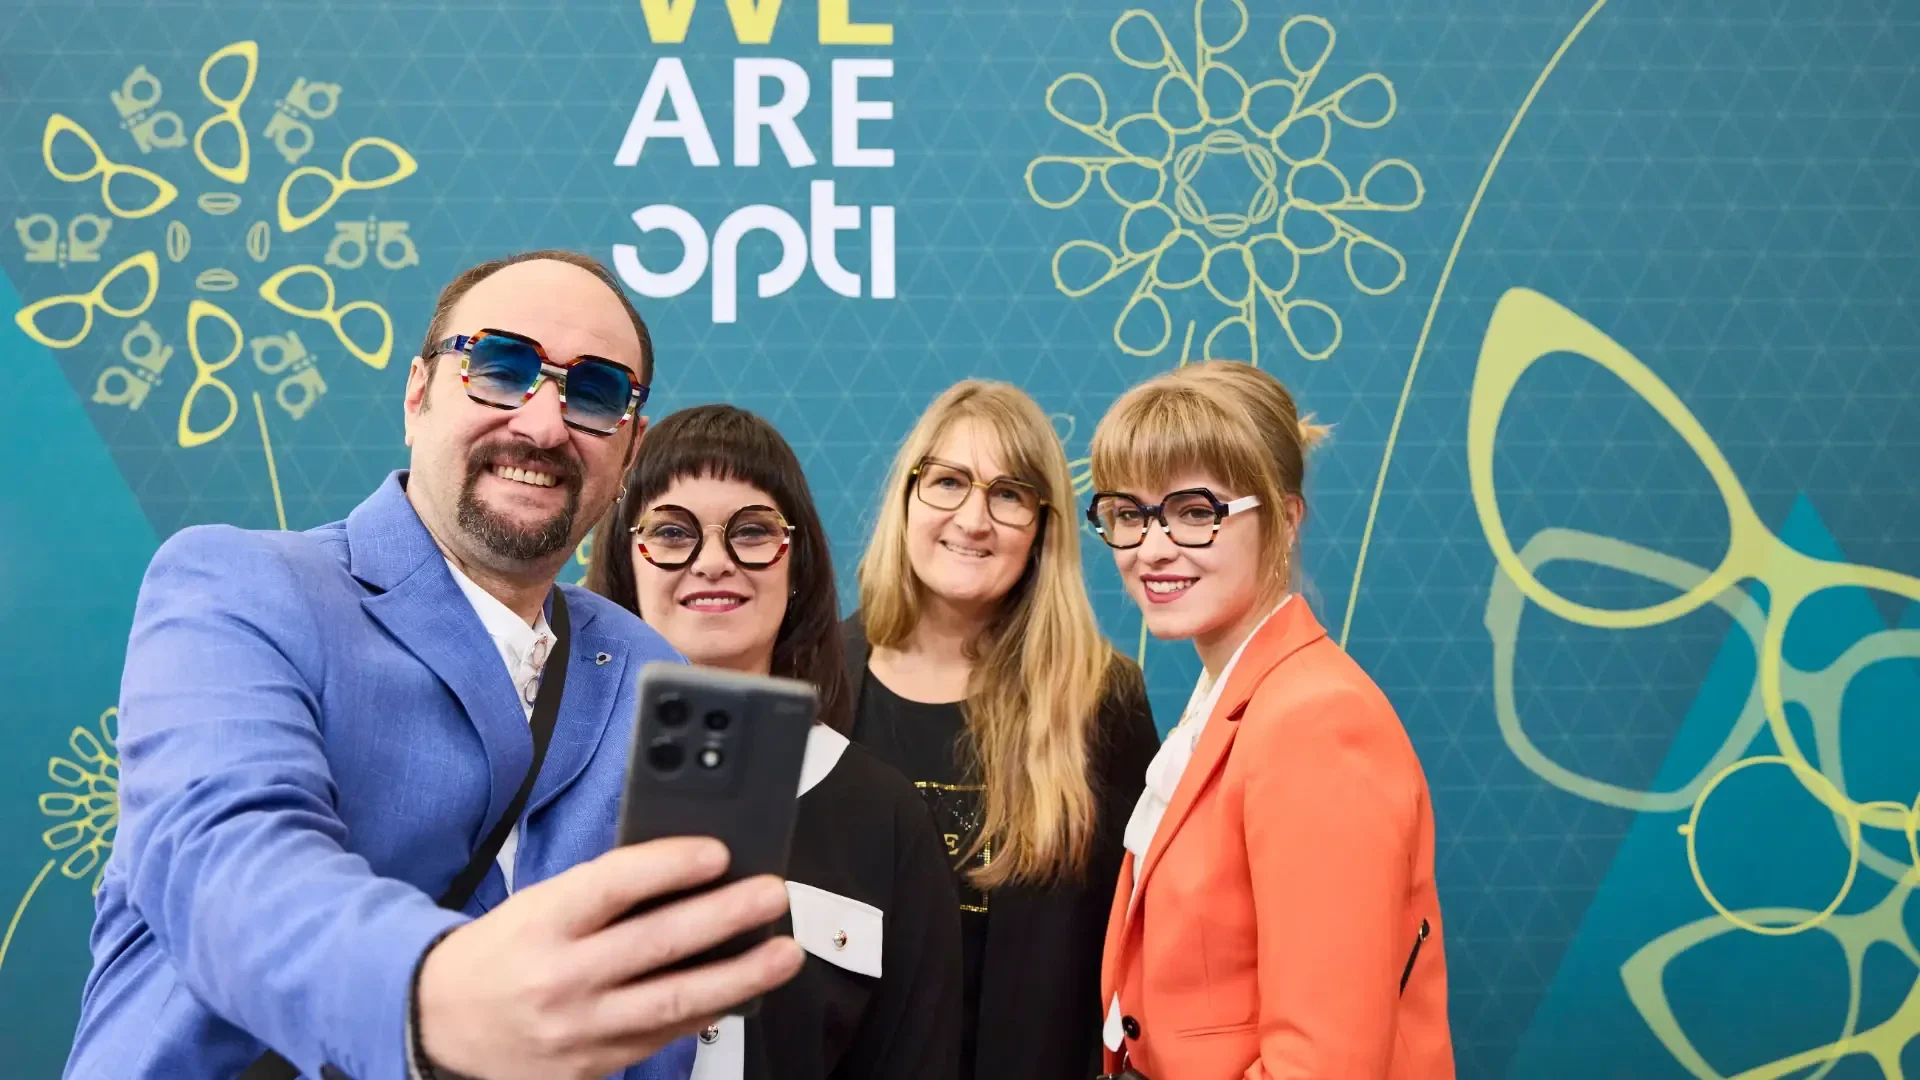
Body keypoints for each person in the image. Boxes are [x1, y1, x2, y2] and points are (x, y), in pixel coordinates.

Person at [63, 251, 805, 1080]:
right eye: (499, 366)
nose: (543, 423)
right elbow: (223, 860)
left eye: (595, 394)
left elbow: (659, 1008)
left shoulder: (654, 675)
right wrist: (434, 993)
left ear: (628, 450)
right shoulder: (240, 586)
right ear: (416, 394)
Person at [1085, 359, 1455, 1078]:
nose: (1153, 547)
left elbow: (1324, 1066)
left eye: (1196, 512)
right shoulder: (1232, 698)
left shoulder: (1315, 720)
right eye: (1129, 514)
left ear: (1284, 521)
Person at [584, 403, 964, 1080]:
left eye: (753, 532)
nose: (712, 563)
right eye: (672, 533)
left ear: (799, 563)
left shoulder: (884, 816)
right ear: (624, 557)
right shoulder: (553, 775)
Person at [843, 379, 1161, 1080]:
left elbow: (1142, 951)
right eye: (949, 482)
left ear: (1044, 526)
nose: (973, 518)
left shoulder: (1103, 702)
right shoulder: (814, 684)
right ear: (907, 498)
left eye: (1009, 494)